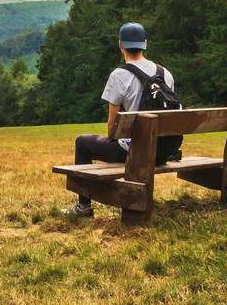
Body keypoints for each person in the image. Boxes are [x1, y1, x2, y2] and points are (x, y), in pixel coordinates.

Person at [62, 22, 182, 219]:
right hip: (162, 152)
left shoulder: (119, 75)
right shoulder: (165, 73)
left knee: (82, 143)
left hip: (134, 152)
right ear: (145, 43)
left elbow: (113, 128)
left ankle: (83, 207)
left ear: (120, 45)